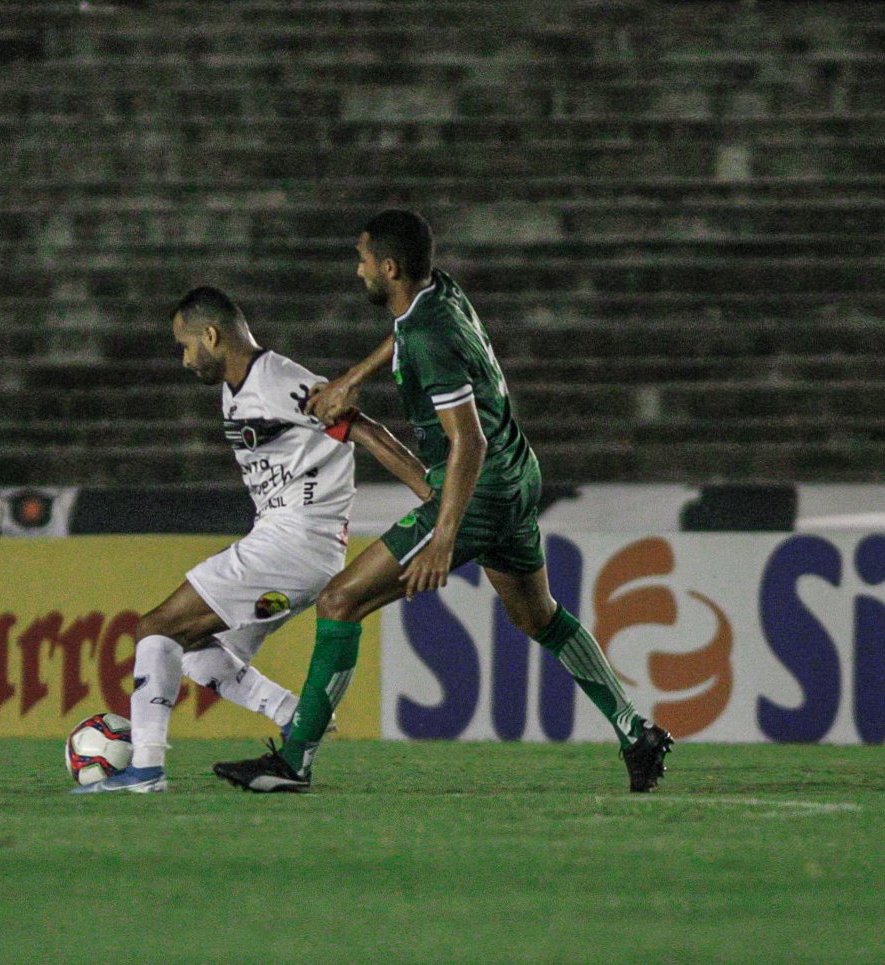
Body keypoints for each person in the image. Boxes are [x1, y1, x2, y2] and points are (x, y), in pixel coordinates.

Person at [213, 210, 673, 793]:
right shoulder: (437, 291)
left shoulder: (429, 339)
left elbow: (468, 441)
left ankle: (295, 760)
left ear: (390, 267)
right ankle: (635, 731)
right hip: (517, 473)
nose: (357, 271)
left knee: (338, 602)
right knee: (537, 615)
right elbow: (406, 331)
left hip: (477, 486)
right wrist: (355, 377)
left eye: (363, 261)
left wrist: (444, 539)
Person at [75, 286, 433, 793]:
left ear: (212, 336)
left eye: (186, 345)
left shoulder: (276, 381)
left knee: (158, 627)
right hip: (300, 551)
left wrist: (433, 494)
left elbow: (366, 431)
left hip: (293, 543)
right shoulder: (238, 389)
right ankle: (289, 713)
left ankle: (146, 768)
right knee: (197, 652)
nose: (184, 360)